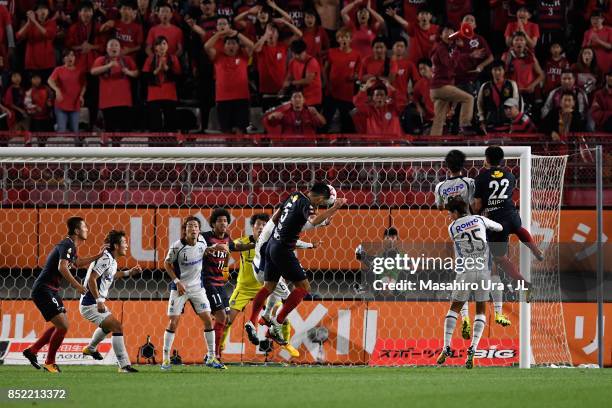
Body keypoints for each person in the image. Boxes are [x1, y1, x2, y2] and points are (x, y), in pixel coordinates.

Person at [245, 183, 347, 345]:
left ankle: (251, 321)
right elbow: (313, 220)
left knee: (269, 287)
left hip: (271, 245)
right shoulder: (307, 204)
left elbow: (280, 218)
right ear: (320, 198)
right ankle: (276, 324)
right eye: (322, 204)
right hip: (283, 250)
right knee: (304, 288)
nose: (320, 206)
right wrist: (334, 208)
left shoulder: (295, 195)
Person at [22, 217, 106, 373]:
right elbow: (62, 267)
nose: (87, 229)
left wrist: (98, 255)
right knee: (63, 326)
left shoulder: (70, 246)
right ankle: (49, 362)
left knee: (59, 326)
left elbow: (78, 263)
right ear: (76, 231)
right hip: (43, 289)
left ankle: (32, 351)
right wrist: (77, 285)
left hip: (50, 290)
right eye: (84, 227)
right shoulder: (66, 243)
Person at [436, 197, 503, 369]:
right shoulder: (479, 219)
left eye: (450, 213)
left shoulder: (452, 228)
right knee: (481, 309)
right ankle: (473, 348)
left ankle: (446, 347)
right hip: (483, 271)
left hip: (465, 271)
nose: (449, 216)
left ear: (456, 212)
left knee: (454, 309)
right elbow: (500, 227)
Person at [472, 146, 545, 295]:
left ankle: (524, 284)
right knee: (519, 229)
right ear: (502, 159)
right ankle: (537, 251)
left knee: (499, 257)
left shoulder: (481, 178)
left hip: (497, 221)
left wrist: (473, 213)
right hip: (511, 214)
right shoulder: (510, 176)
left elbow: (479, 204)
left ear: (486, 159)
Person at [161, 216, 227, 370]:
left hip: (197, 287)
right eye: (190, 226)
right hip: (180, 288)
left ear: (199, 230)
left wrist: (214, 248)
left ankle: (211, 357)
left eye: (196, 226)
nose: (193, 229)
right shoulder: (177, 247)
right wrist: (177, 282)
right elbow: (166, 264)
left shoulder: (203, 242)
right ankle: (165, 360)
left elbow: (205, 250)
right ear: (185, 230)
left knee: (208, 320)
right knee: (173, 322)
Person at [80, 230, 142, 373]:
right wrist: (99, 300)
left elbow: (110, 276)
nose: (127, 245)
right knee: (117, 327)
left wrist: (129, 273)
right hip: (90, 304)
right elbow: (92, 279)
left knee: (109, 326)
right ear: (115, 245)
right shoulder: (105, 258)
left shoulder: (111, 260)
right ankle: (124, 365)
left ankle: (90, 349)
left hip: (94, 302)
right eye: (124, 242)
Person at [200, 208, 255, 360]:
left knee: (228, 319)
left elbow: (237, 247)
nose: (223, 223)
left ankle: (210, 353)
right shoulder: (205, 237)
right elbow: (197, 250)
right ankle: (214, 354)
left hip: (220, 284)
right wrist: (211, 249)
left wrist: (255, 244)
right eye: (219, 221)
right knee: (221, 317)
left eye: (225, 221)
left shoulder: (226, 238)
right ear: (213, 224)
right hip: (208, 281)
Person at [429, 24, 476, 136]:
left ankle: (433, 146)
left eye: (451, 31)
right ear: (440, 35)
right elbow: (450, 64)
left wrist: (462, 51)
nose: (450, 33)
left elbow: (456, 58)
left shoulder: (445, 48)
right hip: (441, 86)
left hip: (437, 88)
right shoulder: (441, 48)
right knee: (468, 99)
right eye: (446, 30)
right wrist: (458, 49)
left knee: (439, 120)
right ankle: (464, 125)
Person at [205, 29, 254, 134]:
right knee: (226, 131)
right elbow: (207, 47)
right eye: (228, 43)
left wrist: (237, 34)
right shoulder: (217, 56)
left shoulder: (244, 56)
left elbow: (251, 45)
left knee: (241, 130)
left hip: (241, 98)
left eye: (234, 43)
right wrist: (219, 34)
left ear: (238, 45)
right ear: (224, 46)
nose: (231, 46)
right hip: (223, 99)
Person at [90, 38, 139, 133]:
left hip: (124, 101)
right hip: (107, 102)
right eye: (111, 45)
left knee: (125, 131)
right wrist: (108, 66)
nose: (114, 47)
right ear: (107, 49)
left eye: (116, 45)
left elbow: (136, 73)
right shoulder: (101, 60)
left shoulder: (127, 59)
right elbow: (93, 71)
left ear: (120, 49)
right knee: (110, 131)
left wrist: (128, 72)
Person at [253, 22, 302, 112]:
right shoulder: (261, 47)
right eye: (269, 31)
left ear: (278, 34)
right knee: (268, 120)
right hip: (266, 90)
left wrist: (285, 22)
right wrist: (265, 35)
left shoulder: (282, 46)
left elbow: (299, 34)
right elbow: (255, 49)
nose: (271, 33)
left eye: (274, 31)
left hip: (281, 90)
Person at [322, 28, 361, 133]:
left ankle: (346, 146)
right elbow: (325, 69)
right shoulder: (331, 52)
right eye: (341, 37)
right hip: (332, 91)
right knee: (326, 118)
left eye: (346, 37)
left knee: (347, 121)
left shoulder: (357, 55)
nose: (343, 40)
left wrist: (355, 77)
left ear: (350, 39)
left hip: (347, 93)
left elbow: (358, 73)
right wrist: (326, 83)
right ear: (337, 39)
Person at [142, 35, 181, 132]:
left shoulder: (173, 58)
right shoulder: (150, 59)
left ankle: (171, 145)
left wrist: (166, 68)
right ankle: (155, 146)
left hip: (170, 95)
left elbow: (178, 77)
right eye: (158, 44)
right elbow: (145, 78)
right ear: (155, 47)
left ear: (167, 46)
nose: (161, 46)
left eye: (164, 43)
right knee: (155, 124)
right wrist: (158, 69)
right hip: (154, 95)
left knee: (171, 124)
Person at [477, 60, 521, 133]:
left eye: (499, 70)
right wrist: (482, 119)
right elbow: (480, 104)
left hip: (507, 122)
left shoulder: (511, 84)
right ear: (491, 71)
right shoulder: (485, 86)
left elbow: (516, 104)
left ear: (504, 71)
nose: (497, 72)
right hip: (490, 122)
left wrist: (515, 121)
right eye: (495, 70)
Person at [48, 49, 86, 133]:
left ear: (75, 58)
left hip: (75, 104)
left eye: (72, 55)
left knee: (75, 130)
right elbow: (50, 80)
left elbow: (84, 85)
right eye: (67, 55)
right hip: (61, 104)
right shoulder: (58, 69)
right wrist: (57, 90)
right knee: (61, 130)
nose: (70, 57)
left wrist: (81, 95)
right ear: (63, 59)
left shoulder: (80, 71)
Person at [16, 1, 57, 80]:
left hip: (47, 63)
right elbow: (18, 36)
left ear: (48, 12)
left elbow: (48, 34)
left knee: (47, 89)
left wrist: (34, 22)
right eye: (40, 9)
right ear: (36, 12)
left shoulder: (51, 23)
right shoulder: (30, 24)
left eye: (45, 9)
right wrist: (28, 23)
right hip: (32, 63)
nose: (43, 11)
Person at [283, 39, 323, 109]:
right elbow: (289, 77)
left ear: (305, 51)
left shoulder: (312, 62)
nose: (297, 56)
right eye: (295, 54)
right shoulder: (292, 62)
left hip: (313, 98)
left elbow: (308, 80)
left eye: (299, 54)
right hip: (300, 98)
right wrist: (283, 88)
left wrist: (291, 83)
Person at [582, 10, 612, 74]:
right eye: (592, 19)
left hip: (607, 62)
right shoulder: (587, 32)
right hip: (592, 64)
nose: (594, 21)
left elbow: (610, 46)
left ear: (602, 19)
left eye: (597, 19)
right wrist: (589, 41)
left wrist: (598, 41)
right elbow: (583, 49)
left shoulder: (609, 30)